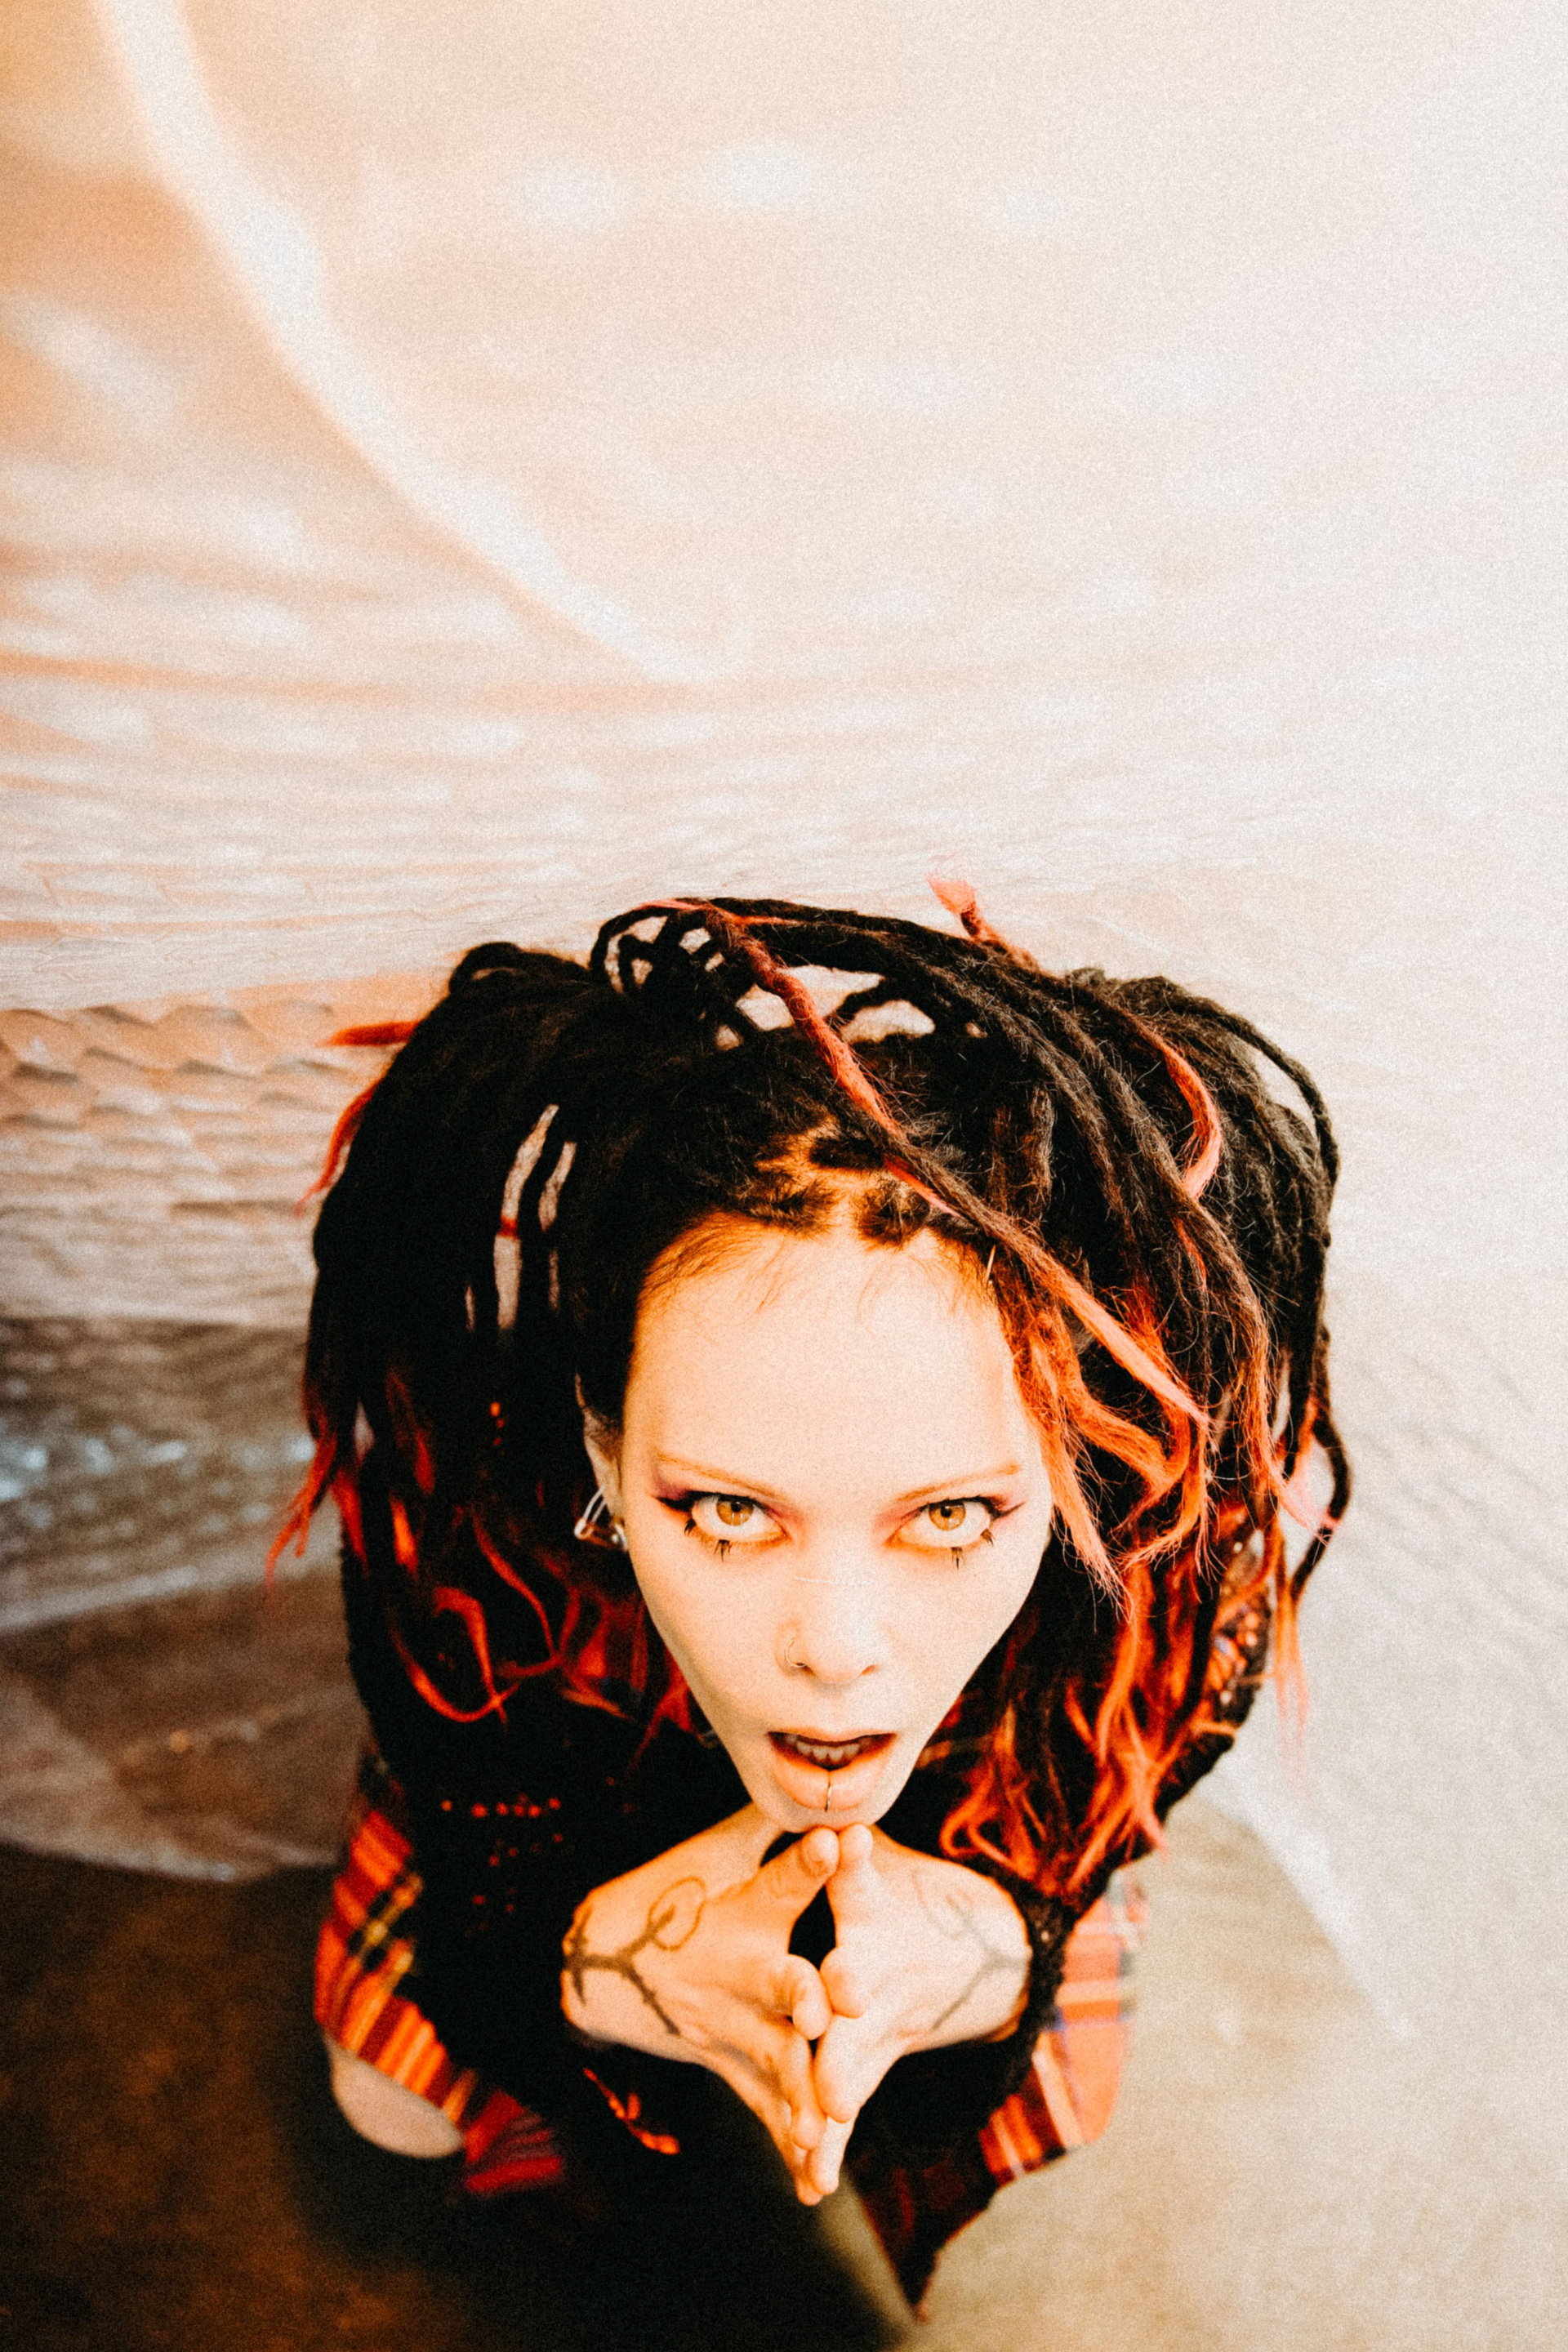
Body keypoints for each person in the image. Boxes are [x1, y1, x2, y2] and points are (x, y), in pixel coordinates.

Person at [276, 890, 1348, 2310]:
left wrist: (985, 1962)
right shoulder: (487, 1530)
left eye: (951, 1517)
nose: (836, 1653)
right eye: (727, 1512)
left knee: (1069, 2084)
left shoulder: (1148, 1591)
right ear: (603, 1448)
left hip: (977, 1841)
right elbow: (472, 1864)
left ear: (1066, 1475)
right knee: (394, 2097)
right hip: (560, 1826)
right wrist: (592, 1966)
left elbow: (1073, 1852)